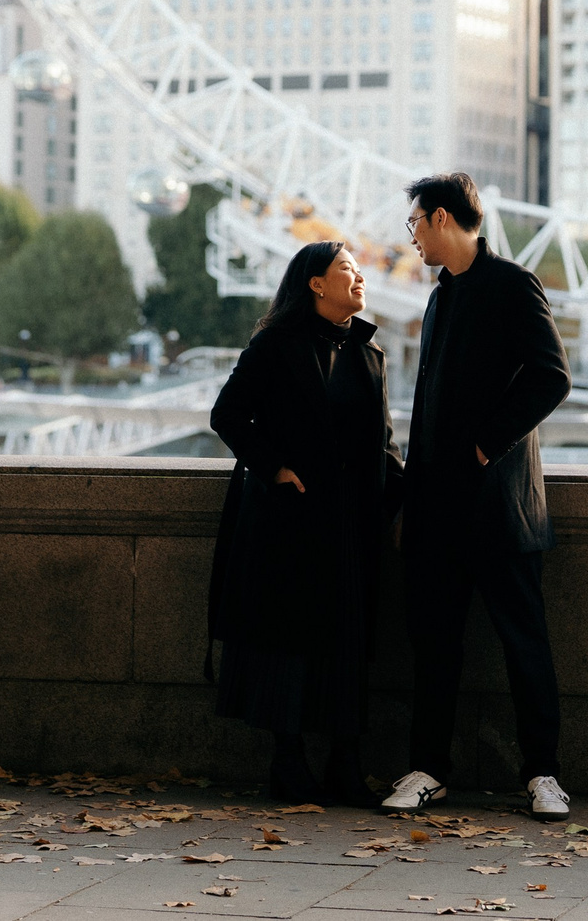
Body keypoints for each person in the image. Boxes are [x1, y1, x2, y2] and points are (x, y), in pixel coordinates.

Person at [379, 172, 574, 822]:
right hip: (438, 510)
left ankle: (543, 774)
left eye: (414, 225)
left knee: (524, 644)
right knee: (435, 645)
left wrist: (486, 447)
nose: (411, 238)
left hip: (499, 506)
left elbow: (552, 376)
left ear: (439, 218)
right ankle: (429, 768)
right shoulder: (438, 299)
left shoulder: (514, 286)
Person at [207, 240, 403, 806]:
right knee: (286, 644)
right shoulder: (275, 343)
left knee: (347, 642)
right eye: (347, 268)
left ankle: (346, 766)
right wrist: (275, 469)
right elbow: (227, 415)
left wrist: (398, 498)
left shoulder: (371, 354)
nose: (359, 276)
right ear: (316, 283)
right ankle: (287, 764)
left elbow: (384, 442)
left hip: (349, 523)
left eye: (359, 270)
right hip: (288, 522)